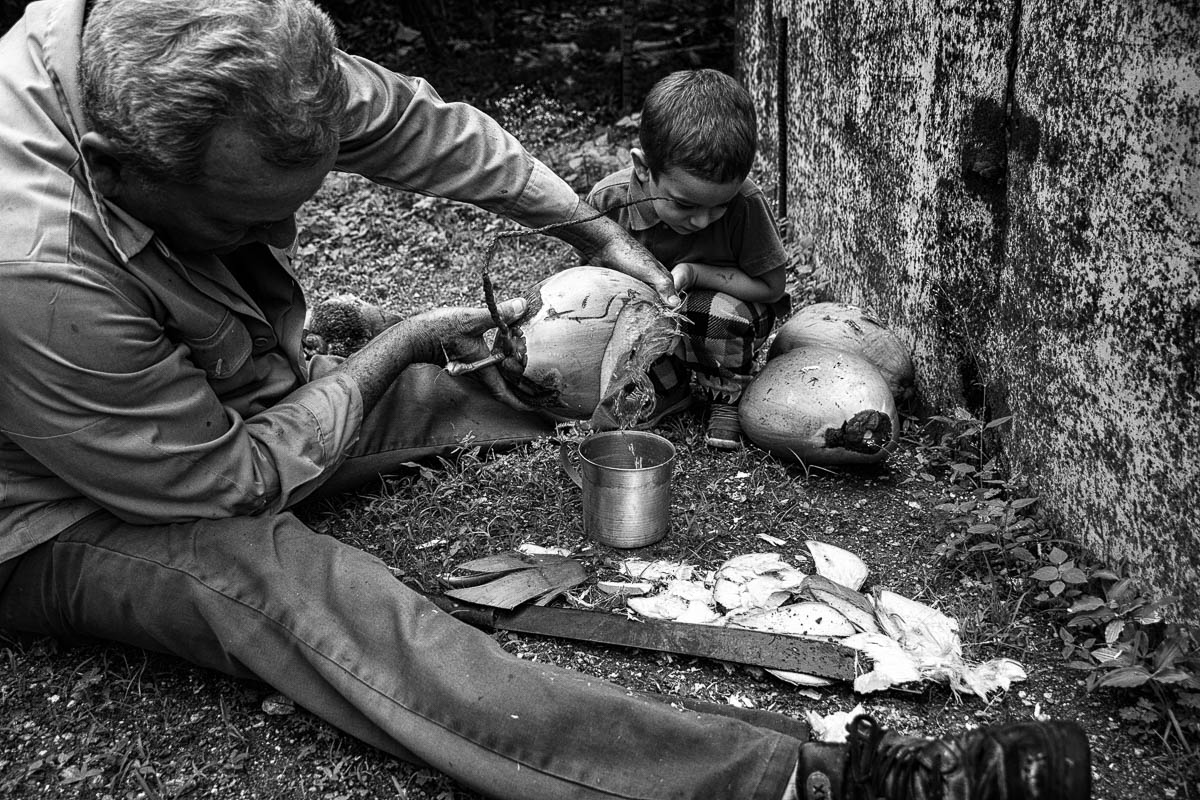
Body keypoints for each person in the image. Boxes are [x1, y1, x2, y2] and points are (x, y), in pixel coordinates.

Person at [0, 2, 1092, 799]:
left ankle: (612, 400)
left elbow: (432, 132)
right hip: (62, 499)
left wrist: (592, 234)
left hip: (174, 387)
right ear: (117, 167)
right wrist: (396, 340)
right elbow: (226, 476)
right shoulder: (39, 266)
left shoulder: (230, 45)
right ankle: (805, 784)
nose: (276, 242)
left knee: (459, 382)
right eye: (245, 222)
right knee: (307, 592)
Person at [587, 69, 789, 450]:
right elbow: (584, 281)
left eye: (718, 207)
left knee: (710, 311)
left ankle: (725, 395)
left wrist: (695, 273)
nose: (701, 220)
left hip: (731, 317)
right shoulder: (608, 202)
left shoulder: (746, 204)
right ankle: (668, 387)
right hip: (645, 313)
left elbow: (771, 287)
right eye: (685, 204)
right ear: (643, 168)